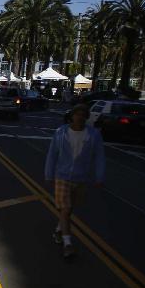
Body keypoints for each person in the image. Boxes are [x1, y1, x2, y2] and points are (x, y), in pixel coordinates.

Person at [44, 104, 105, 259]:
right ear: (72, 116)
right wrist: (48, 174)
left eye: (83, 114)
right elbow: (52, 154)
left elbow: (99, 157)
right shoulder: (61, 133)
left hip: (81, 177)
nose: (80, 117)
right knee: (65, 209)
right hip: (62, 176)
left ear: (86, 117)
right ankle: (67, 243)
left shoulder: (93, 135)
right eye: (77, 114)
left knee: (69, 210)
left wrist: (99, 176)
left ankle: (59, 230)